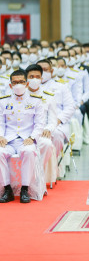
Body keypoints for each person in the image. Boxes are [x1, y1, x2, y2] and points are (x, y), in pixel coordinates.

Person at [0, 69, 44, 203]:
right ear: (10, 85)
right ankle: (7, 189)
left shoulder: (36, 101)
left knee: (29, 152)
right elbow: (1, 122)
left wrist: (32, 137)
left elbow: (39, 123)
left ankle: (25, 189)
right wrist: (0, 136)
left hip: (27, 139)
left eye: (21, 82)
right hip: (8, 140)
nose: (18, 85)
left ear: (26, 83)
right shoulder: (3, 101)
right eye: (15, 82)